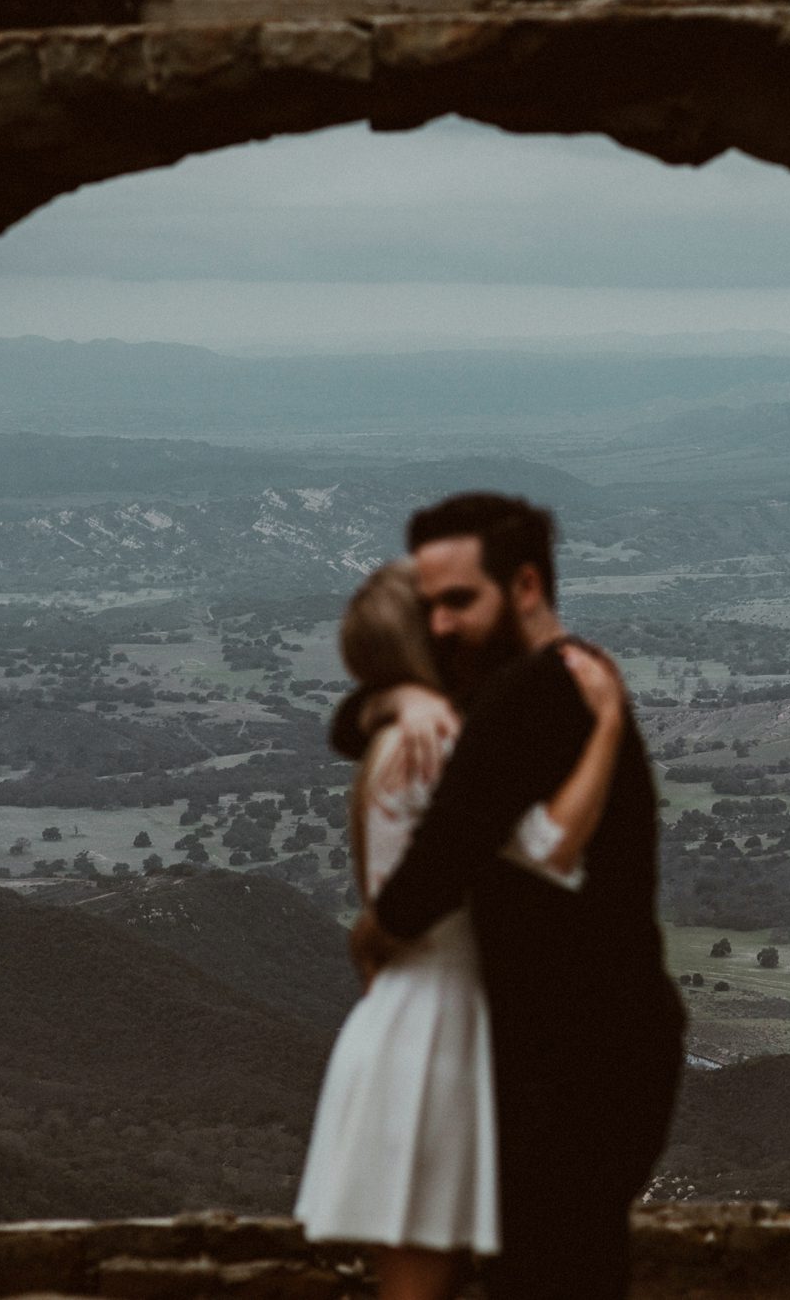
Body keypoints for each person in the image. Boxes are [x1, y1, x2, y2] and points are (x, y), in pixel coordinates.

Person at [340, 494, 688, 1300]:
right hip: (595, 1049)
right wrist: (397, 699)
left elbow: (428, 877)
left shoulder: (526, 699)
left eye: (459, 601)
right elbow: (352, 725)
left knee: (552, 1272)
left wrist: (374, 932)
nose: (441, 627)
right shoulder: (563, 677)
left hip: (577, 1062)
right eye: (428, 609)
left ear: (526, 585)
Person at [293, 559, 631, 1300]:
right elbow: (550, 847)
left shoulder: (410, 732)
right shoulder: (436, 745)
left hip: (421, 1017)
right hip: (436, 1034)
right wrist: (608, 724)